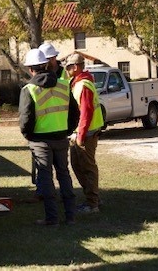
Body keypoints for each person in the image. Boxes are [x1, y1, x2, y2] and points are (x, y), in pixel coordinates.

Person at [19, 49, 79, 226]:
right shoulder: (63, 84)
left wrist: (29, 136)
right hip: (61, 138)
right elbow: (75, 112)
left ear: (31, 69)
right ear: (46, 64)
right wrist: (67, 130)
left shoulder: (29, 89)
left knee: (45, 178)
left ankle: (52, 218)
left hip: (40, 140)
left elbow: (25, 118)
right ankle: (70, 216)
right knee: (64, 175)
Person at [65, 52, 103, 214]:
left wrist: (80, 136)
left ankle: (92, 203)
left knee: (87, 167)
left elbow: (86, 112)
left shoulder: (83, 85)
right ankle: (91, 198)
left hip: (86, 134)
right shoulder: (77, 82)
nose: (66, 70)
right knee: (77, 165)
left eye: (68, 67)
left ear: (75, 67)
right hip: (80, 133)